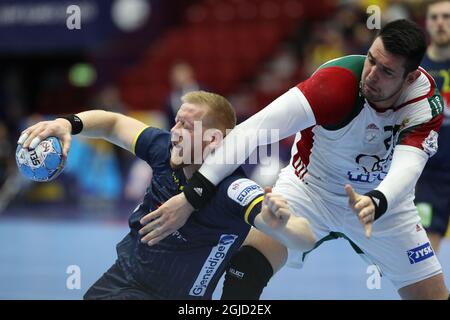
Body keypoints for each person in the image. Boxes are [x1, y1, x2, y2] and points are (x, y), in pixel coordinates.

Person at [139, 20, 450, 300]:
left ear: (409, 79)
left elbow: (409, 165)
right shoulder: (337, 83)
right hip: (308, 188)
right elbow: (253, 131)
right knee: (246, 265)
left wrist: (379, 200)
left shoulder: (424, 103)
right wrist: (193, 196)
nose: (371, 75)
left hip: (383, 202)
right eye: (371, 59)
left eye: (387, 71)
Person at [17, 91, 315, 300]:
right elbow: (113, 123)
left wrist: (282, 219)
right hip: (122, 279)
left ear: (214, 140)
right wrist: (68, 123)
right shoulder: (164, 150)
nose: (174, 131)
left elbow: (303, 239)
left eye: (186, 126)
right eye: (176, 121)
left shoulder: (232, 189)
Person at [415, 0, 450, 253]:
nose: (440, 22)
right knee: (426, 242)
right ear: (426, 23)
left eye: (447, 17)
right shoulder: (414, 68)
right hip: (428, 172)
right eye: (435, 17)